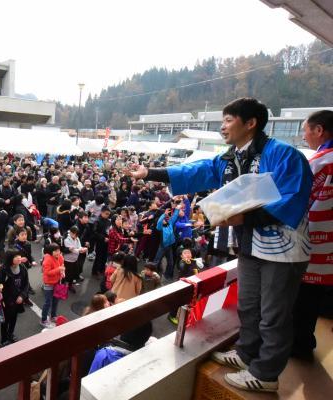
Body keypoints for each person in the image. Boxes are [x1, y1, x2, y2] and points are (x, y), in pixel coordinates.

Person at [131, 98, 312, 392]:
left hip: (283, 247)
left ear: (250, 123)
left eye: (228, 120)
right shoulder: (231, 158)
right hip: (249, 242)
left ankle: (266, 373)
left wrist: (242, 217)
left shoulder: (285, 155)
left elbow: (293, 198)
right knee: (249, 305)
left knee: (274, 313)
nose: (223, 127)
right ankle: (247, 354)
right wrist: (151, 173)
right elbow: (198, 170)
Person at [292, 110, 333, 359]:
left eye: (306, 130)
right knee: (316, 298)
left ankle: (299, 345)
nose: (304, 136)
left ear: (319, 130)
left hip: (314, 244)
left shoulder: (318, 162)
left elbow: (296, 200)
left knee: (303, 299)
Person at [0, 249, 29, 345]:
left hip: (18, 299)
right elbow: (0, 286)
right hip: (7, 300)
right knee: (5, 320)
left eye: (19, 255)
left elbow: (26, 284)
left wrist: (22, 296)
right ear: (10, 259)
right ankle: (4, 339)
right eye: (16, 256)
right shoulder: (3, 270)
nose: (19, 258)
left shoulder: (22, 267)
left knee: (14, 318)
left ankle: (10, 334)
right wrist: (8, 299)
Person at [41, 243, 65, 329]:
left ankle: (53, 316)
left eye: (58, 250)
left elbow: (62, 265)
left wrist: (62, 272)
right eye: (55, 251)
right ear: (51, 252)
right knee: (48, 302)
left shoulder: (60, 256)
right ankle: (43, 319)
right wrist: (58, 270)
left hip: (58, 281)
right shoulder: (47, 259)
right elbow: (47, 273)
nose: (58, 252)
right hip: (49, 283)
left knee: (56, 300)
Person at [154, 206, 180, 280]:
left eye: (167, 217)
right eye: (165, 217)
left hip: (169, 246)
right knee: (156, 262)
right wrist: (164, 214)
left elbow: (175, 216)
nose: (166, 218)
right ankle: (150, 275)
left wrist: (177, 208)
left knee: (171, 263)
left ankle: (167, 276)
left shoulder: (170, 222)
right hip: (163, 247)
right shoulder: (160, 226)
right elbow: (159, 222)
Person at [91, 206, 111, 277]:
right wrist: (103, 238)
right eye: (106, 214)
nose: (108, 215)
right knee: (98, 257)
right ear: (102, 212)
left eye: (109, 214)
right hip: (99, 242)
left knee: (105, 257)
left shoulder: (109, 221)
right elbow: (94, 232)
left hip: (107, 242)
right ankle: (95, 271)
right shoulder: (97, 221)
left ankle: (102, 269)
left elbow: (109, 231)